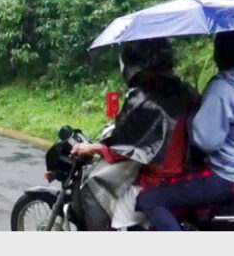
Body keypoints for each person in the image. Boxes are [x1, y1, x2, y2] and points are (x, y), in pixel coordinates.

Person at [71, 38, 200, 230]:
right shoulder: (184, 89)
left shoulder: (145, 97)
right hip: (188, 173)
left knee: (118, 222)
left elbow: (123, 148)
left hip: (158, 178)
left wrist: (93, 147)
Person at [134, 31, 234, 231]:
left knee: (150, 199)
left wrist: (194, 119)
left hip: (225, 176)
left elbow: (206, 140)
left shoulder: (222, 87)